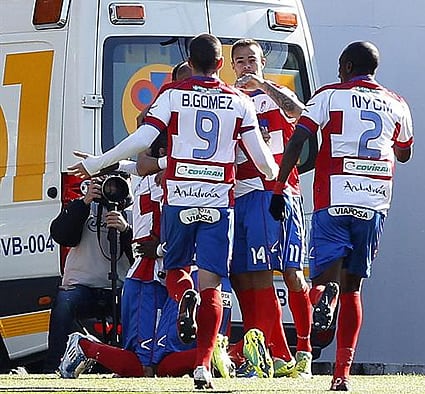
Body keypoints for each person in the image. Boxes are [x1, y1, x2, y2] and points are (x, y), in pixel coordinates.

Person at [67, 33, 278, 390]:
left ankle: (183, 297)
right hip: (218, 201)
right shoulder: (240, 100)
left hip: (180, 198)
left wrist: (99, 162)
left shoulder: (172, 95)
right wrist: (271, 171)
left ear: (190, 62)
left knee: (175, 270)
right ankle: (202, 367)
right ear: (221, 64)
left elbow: (142, 140)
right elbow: (264, 163)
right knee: (211, 282)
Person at [270, 41, 413, 391]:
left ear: (348, 66)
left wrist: (278, 186)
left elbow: (298, 139)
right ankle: (341, 375)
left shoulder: (329, 95)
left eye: (339, 65)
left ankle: (326, 293)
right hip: (374, 200)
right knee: (355, 289)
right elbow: (405, 153)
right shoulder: (396, 102)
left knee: (320, 280)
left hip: (334, 196)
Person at [227, 38, 312, 379]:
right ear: (231, 66)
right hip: (240, 195)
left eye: (252, 60)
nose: (246, 66)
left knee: (288, 273)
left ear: (262, 63)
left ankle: (301, 352)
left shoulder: (274, 93)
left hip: (275, 191)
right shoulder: (230, 98)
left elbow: (299, 113)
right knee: (242, 276)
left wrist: (263, 85)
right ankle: (266, 352)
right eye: (240, 61)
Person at [44, 173, 133, 373]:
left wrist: (126, 230)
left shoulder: (133, 212)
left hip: (120, 286)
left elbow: (140, 255)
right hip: (81, 285)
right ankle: (53, 366)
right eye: (105, 183)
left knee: (136, 304)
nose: (111, 188)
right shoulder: (83, 207)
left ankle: (131, 362)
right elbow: (61, 235)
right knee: (65, 302)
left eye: (117, 182)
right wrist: (84, 203)